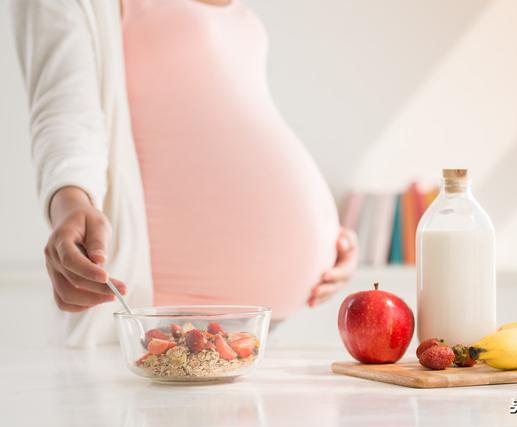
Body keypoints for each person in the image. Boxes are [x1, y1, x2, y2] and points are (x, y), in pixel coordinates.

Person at [9, 0, 357, 347]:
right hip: (164, 329)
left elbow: (229, 113)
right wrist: (70, 205)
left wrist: (330, 238)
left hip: (270, 330)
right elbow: (66, 117)